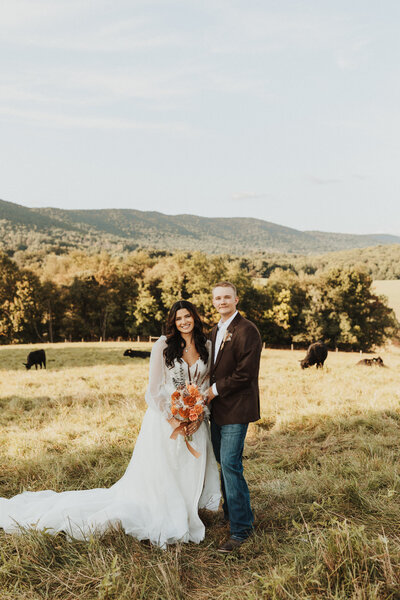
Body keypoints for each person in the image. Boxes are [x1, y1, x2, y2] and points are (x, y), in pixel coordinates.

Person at [0, 301, 220, 549]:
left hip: (196, 420)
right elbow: (152, 391)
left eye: (187, 316)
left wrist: (198, 415)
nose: (184, 321)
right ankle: (166, 512)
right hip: (164, 422)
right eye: (179, 317)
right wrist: (172, 418)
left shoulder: (207, 346)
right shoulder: (163, 346)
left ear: (195, 318)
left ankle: (187, 509)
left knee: (187, 470)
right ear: (173, 321)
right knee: (165, 472)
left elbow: (205, 386)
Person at [206, 281, 262, 553]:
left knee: (230, 464)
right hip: (217, 410)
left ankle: (241, 529)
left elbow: (246, 373)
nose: (222, 302)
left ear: (236, 299)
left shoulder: (247, 330)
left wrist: (213, 391)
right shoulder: (215, 329)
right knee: (222, 463)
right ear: (213, 301)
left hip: (237, 408)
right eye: (218, 298)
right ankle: (232, 514)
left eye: (227, 297)